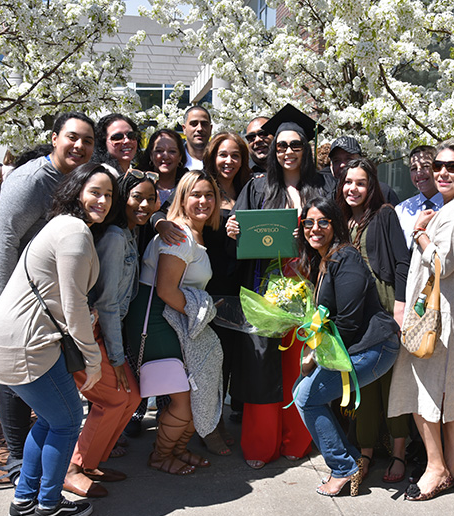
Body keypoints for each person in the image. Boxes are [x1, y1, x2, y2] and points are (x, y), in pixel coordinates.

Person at [0, 162, 116, 516]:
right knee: (69, 421)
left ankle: (25, 500)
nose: (102, 200)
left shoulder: (61, 226)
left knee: (51, 421)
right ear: (76, 191)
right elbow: (74, 305)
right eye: (95, 192)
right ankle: (49, 505)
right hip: (26, 343)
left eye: (108, 194)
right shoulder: (73, 231)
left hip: (17, 338)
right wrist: (93, 361)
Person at [0, 111, 96, 476]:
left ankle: (37, 455)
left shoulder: (76, 179)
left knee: (41, 376)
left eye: (88, 141)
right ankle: (16, 457)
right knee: (16, 378)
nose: (79, 146)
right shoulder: (30, 180)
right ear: (55, 137)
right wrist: (6, 308)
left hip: (40, 293)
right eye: (72, 137)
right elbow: (3, 244)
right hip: (4, 287)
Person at [226, 109, 333, 469]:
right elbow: (239, 235)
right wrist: (233, 231)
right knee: (262, 368)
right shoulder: (257, 187)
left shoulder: (322, 187)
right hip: (264, 286)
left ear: (306, 148)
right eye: (282, 145)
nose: (288, 150)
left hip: (308, 284)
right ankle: (260, 444)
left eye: (296, 144)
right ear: (273, 149)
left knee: (299, 365)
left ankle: (297, 440)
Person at [388, 139, 454, 501]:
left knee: (422, 390)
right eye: (438, 166)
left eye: (453, 167)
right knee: (453, 392)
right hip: (452, 316)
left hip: (438, 320)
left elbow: (443, 262)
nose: (442, 172)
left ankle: (436, 467)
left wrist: (420, 232)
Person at [293, 197, 401, 497]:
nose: (315, 228)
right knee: (300, 393)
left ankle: (344, 467)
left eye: (323, 222)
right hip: (351, 346)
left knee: (306, 396)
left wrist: (317, 355)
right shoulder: (325, 260)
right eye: (309, 223)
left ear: (335, 225)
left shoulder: (346, 258)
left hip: (374, 347)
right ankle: (349, 461)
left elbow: (350, 321)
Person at [63, 169, 156, 498]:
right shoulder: (116, 238)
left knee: (131, 396)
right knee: (116, 398)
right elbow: (106, 304)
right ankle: (72, 467)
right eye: (136, 197)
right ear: (123, 200)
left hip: (105, 330)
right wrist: (116, 357)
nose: (143, 204)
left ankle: (91, 461)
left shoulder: (130, 233)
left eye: (150, 198)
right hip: (92, 332)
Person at [124, 170, 221, 475]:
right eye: (195, 194)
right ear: (181, 198)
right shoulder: (180, 235)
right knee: (183, 399)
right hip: (155, 320)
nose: (203, 200)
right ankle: (161, 454)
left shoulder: (193, 233)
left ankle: (178, 449)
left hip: (171, 318)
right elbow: (166, 290)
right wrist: (201, 315)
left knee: (191, 394)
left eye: (209, 194)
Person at [335, 158, 411, 484]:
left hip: (383, 306)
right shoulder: (339, 222)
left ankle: (399, 451)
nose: (354, 188)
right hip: (355, 312)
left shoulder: (384, 215)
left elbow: (402, 262)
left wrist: (400, 306)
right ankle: (365, 450)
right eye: (348, 182)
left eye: (361, 183)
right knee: (361, 381)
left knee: (391, 383)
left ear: (372, 187)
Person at [201, 132, 251, 454]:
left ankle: (226, 415)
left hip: (243, 287)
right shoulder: (205, 190)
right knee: (213, 364)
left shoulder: (251, 190)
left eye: (235, 155)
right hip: (212, 289)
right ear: (212, 157)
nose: (228, 161)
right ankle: (211, 427)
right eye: (223, 155)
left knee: (233, 360)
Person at [394, 145, 443, 248]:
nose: (419, 173)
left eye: (425, 166)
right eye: (414, 168)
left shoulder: (451, 206)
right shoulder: (401, 210)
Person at [182, 105, 213, 170]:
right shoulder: (175, 161)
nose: (200, 128)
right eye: (194, 124)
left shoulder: (220, 161)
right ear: (184, 129)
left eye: (204, 124)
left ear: (211, 129)